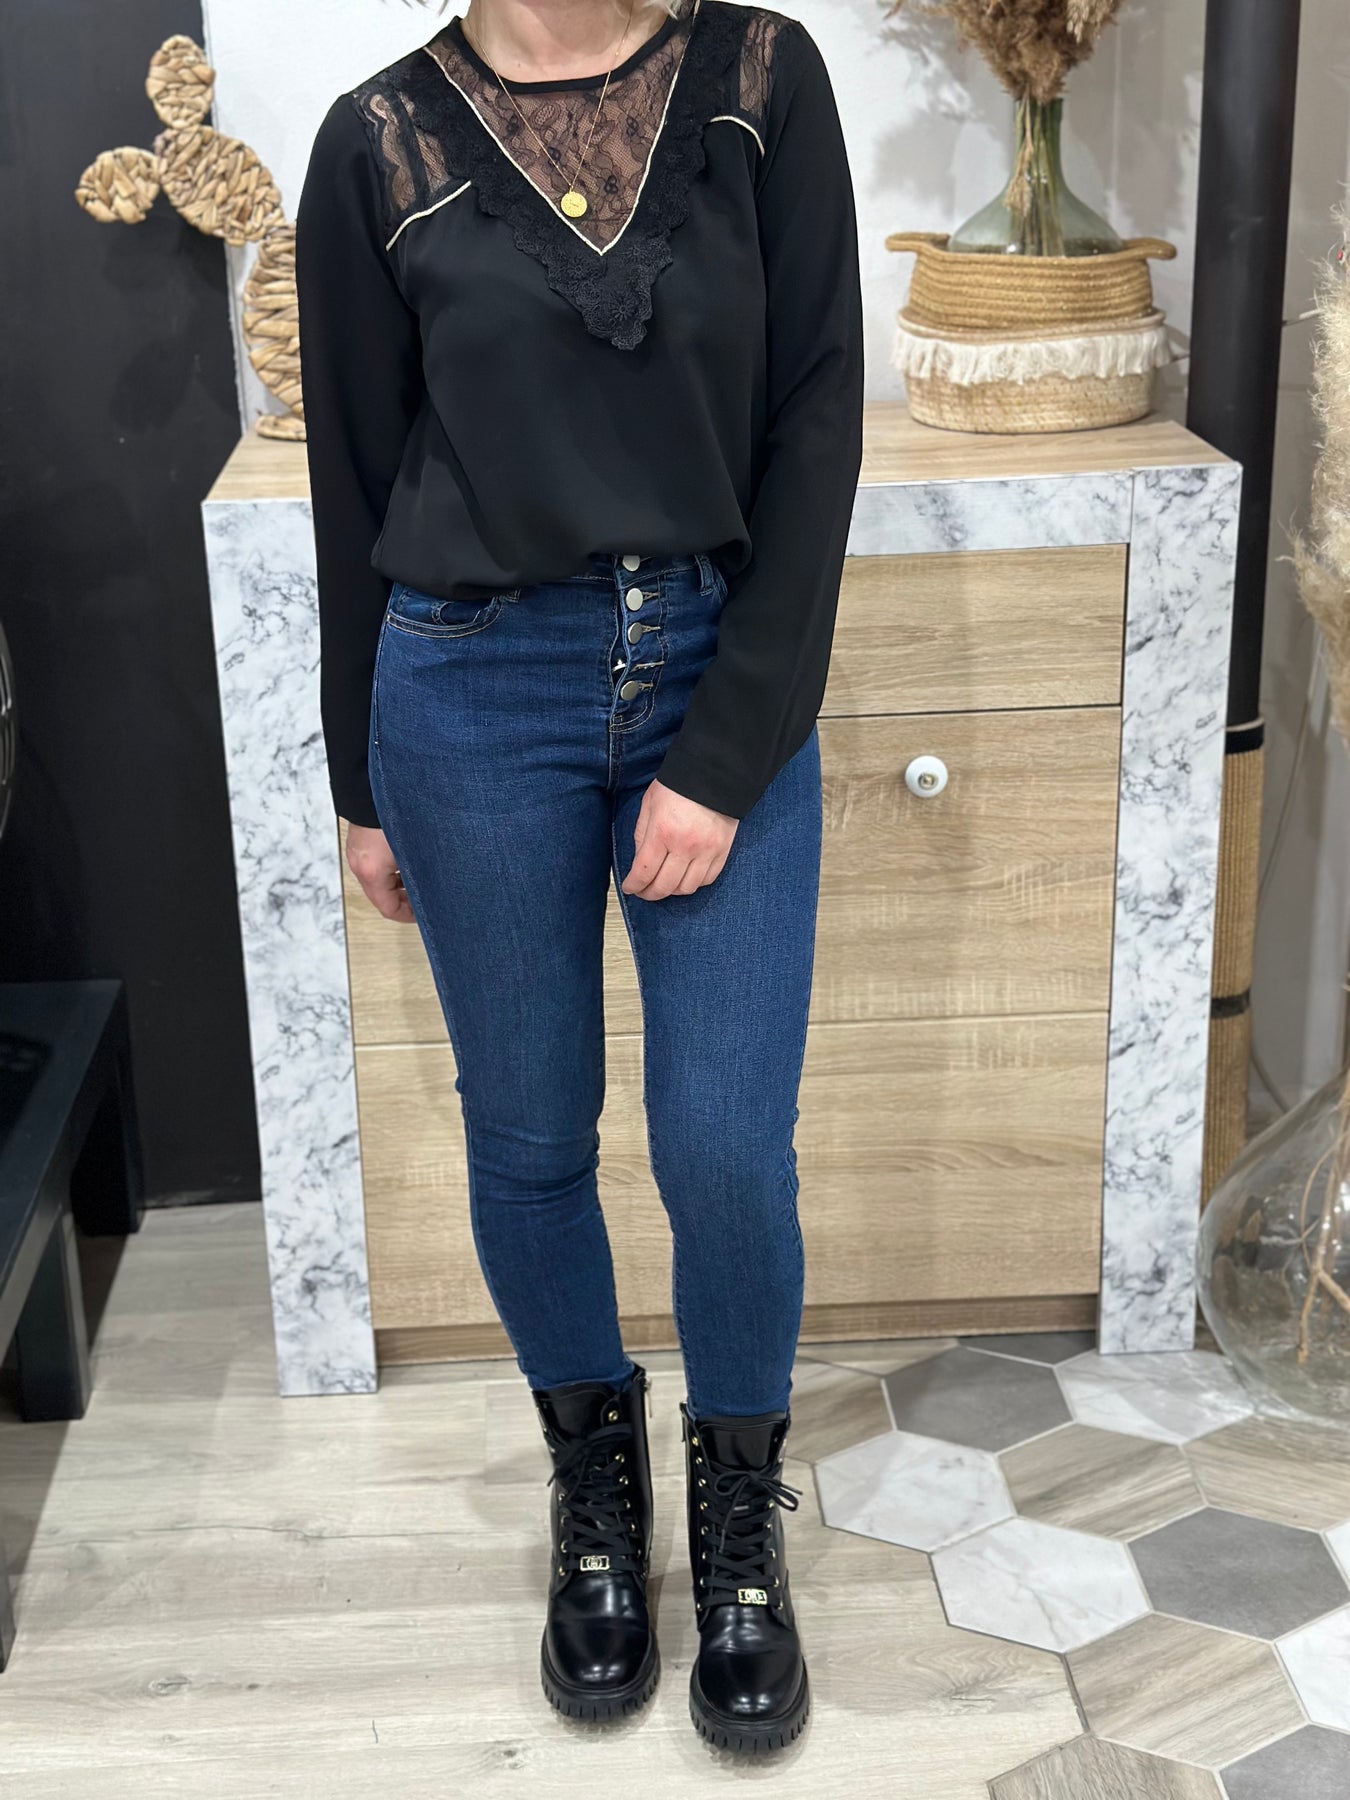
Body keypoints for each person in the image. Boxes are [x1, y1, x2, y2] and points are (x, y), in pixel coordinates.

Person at [295, 0, 863, 1754]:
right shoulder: (375, 140)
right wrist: (360, 786)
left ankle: (738, 1517)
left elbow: (817, 416)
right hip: (469, 693)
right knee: (530, 1137)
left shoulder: (758, 79)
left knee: (723, 1148)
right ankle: (595, 1488)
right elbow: (353, 485)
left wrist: (724, 750)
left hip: (710, 663)